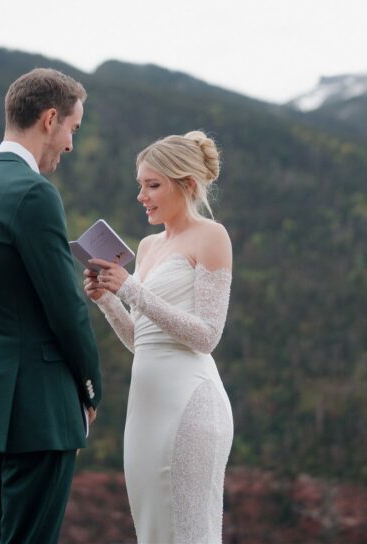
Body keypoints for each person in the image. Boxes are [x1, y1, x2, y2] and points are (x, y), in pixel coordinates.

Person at [0, 68, 102, 544]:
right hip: (37, 411)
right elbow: (67, 308)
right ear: (50, 119)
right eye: (72, 129)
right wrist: (90, 390)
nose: (71, 145)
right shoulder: (34, 193)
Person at [85, 131, 233, 544]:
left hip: (190, 405)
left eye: (153, 185)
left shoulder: (211, 236)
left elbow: (207, 336)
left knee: (189, 534)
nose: (142, 196)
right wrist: (107, 298)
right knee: (153, 533)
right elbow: (141, 339)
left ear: (186, 185)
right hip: (145, 407)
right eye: (141, 185)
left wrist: (130, 290)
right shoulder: (148, 246)